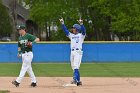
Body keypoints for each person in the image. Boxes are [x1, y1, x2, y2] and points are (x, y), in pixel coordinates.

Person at [59, 18, 86, 86]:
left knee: (76, 66)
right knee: (74, 68)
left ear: (77, 29)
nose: (73, 29)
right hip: (72, 52)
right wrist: (62, 23)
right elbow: (66, 31)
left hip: (78, 52)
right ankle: (79, 81)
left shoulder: (81, 36)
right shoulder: (72, 35)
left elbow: (84, 31)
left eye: (74, 28)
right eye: (73, 28)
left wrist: (81, 24)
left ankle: (74, 80)